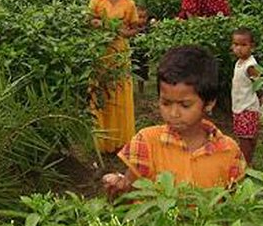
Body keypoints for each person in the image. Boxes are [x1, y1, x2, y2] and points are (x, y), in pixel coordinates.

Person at [102, 45, 247, 199]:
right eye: (166, 103)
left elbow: (234, 207)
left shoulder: (229, 152)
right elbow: (130, 195)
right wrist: (118, 188)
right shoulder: (146, 142)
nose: (173, 113)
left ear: (209, 103)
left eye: (185, 105)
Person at [89, 0, 139, 153]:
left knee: (119, 91)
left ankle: (120, 140)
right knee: (101, 92)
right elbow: (88, 20)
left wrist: (124, 32)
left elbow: (134, 28)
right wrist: (101, 25)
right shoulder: (96, 1)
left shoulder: (129, 4)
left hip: (119, 53)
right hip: (101, 52)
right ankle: (102, 140)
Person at [230, 27, 263, 165]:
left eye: (243, 45)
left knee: (246, 139)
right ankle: (247, 163)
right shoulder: (239, 63)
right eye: (236, 44)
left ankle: (246, 165)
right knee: (245, 137)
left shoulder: (250, 66)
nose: (239, 48)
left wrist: (262, 97)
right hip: (240, 107)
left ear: (252, 46)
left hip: (247, 108)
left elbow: (259, 83)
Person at [131, 5, 153, 95]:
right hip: (133, 55)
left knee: (143, 72)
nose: (142, 20)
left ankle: (141, 91)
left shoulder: (147, 29)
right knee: (132, 72)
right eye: (139, 17)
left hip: (143, 56)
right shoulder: (132, 30)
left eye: (144, 17)